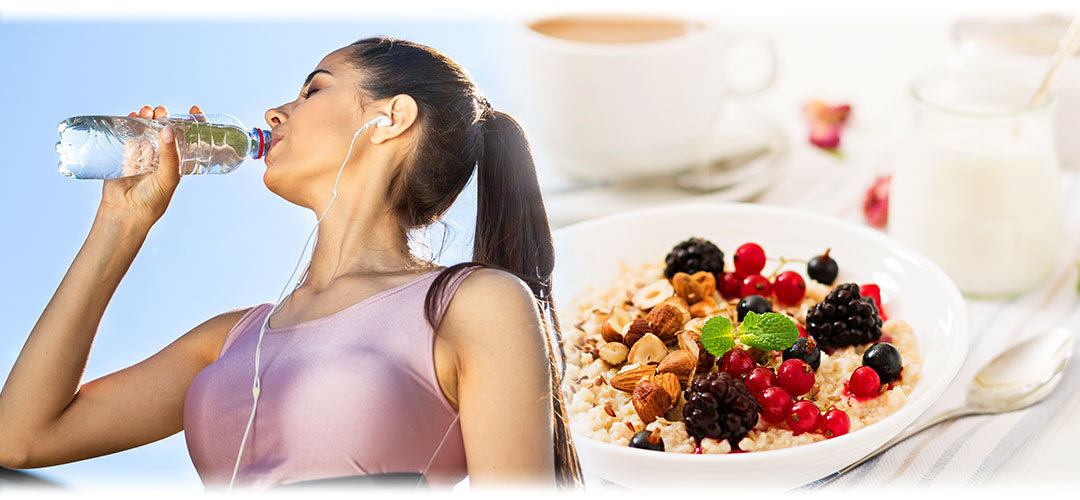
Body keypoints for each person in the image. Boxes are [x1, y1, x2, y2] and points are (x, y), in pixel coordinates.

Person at [0, 36, 584, 491]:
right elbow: (19, 438)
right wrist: (121, 222)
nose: (276, 113)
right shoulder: (229, 338)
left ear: (391, 117)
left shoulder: (472, 303)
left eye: (313, 91)